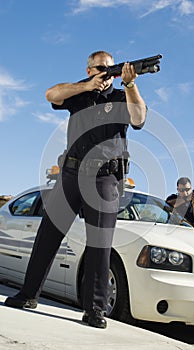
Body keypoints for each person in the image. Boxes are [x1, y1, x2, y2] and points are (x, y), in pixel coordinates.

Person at [4, 50, 147, 329]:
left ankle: (95, 309)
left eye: (111, 69)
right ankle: (28, 294)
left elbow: (139, 118)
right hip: (71, 173)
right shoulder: (80, 95)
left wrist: (130, 84)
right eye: (101, 68)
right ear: (90, 70)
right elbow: (50, 94)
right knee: (48, 235)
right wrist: (86, 86)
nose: (107, 73)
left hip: (105, 178)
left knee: (99, 245)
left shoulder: (120, 97)